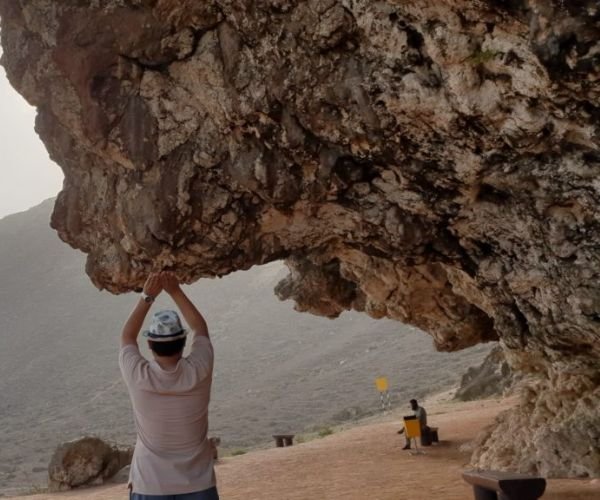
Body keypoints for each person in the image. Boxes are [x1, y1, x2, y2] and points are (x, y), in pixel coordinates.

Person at [119, 271, 219, 500]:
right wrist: (175, 290)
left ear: (150, 344)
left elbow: (127, 337)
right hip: (198, 484)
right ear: (184, 343)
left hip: (150, 485)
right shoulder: (199, 370)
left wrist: (147, 296)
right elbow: (200, 329)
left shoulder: (138, 376)